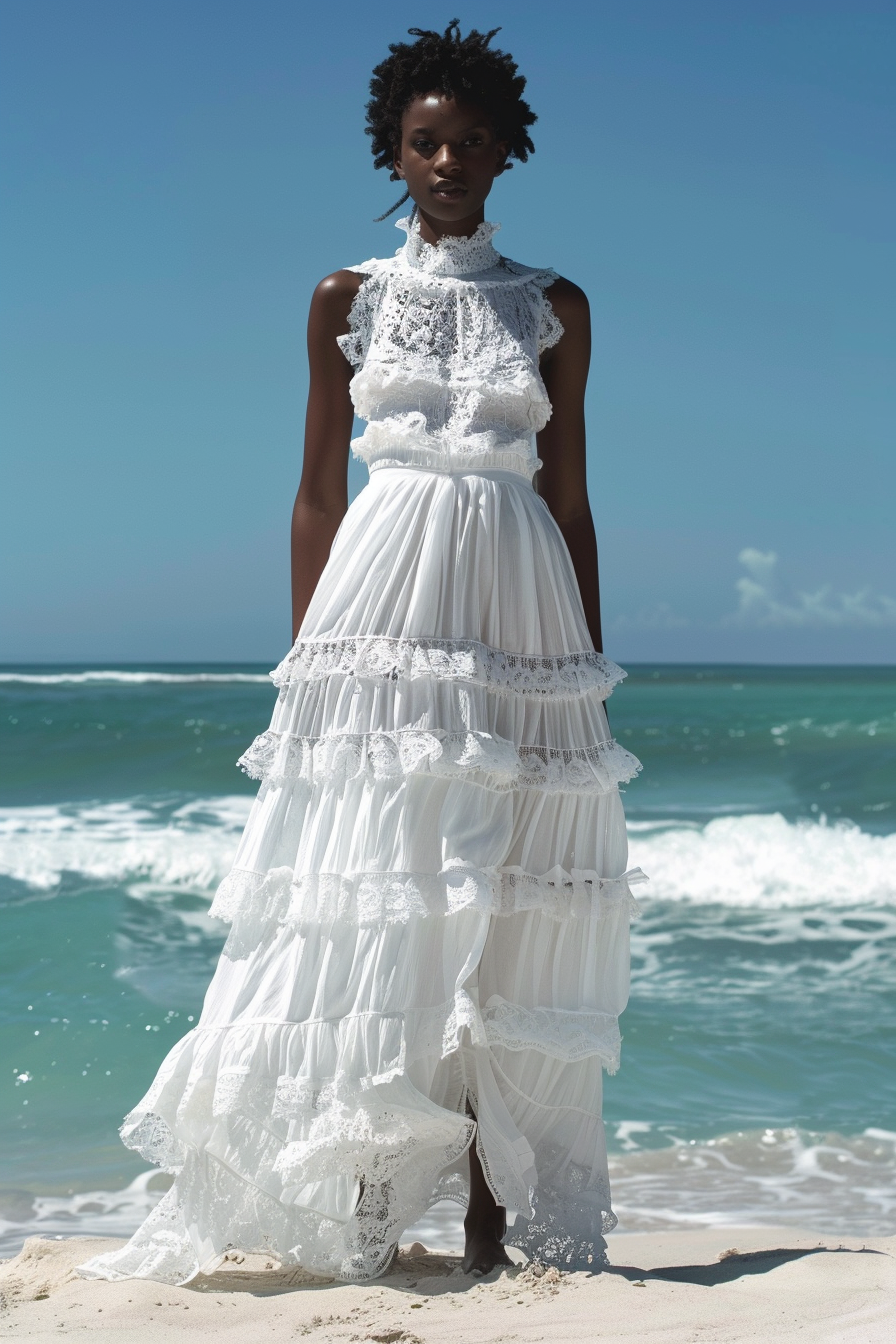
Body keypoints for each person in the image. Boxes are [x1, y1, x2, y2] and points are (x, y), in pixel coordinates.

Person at [78, 19, 643, 1287]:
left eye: (469, 142)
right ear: (392, 150)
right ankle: (364, 1199)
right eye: (423, 142)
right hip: (378, 613)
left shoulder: (555, 308)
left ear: (507, 152)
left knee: (506, 898)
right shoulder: (349, 298)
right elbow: (316, 495)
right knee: (379, 889)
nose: (446, 160)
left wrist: (586, 674)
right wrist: (309, 664)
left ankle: (499, 1215)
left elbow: (569, 498)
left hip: (520, 609)